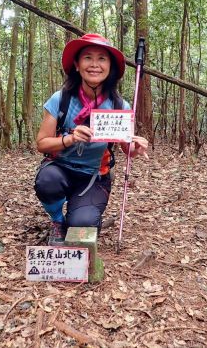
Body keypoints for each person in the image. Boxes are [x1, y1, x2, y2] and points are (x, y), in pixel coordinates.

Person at [34, 33, 149, 245]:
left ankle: (79, 212)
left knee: (82, 224)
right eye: (87, 57)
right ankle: (58, 221)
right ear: (77, 65)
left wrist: (135, 148)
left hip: (94, 176)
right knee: (47, 181)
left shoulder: (119, 105)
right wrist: (69, 138)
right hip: (60, 168)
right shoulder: (61, 100)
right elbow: (41, 143)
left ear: (110, 67)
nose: (94, 64)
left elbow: (126, 148)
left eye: (102, 58)